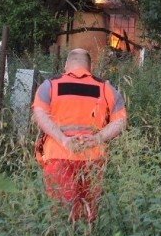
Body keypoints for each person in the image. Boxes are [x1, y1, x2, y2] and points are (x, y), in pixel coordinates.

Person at [31, 48, 127, 224]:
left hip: (58, 156)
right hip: (93, 158)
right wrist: (97, 139)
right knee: (89, 211)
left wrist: (63, 140)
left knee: (62, 211)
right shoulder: (106, 88)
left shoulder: (50, 86)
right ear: (89, 67)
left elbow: (40, 115)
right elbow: (120, 121)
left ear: (66, 65)